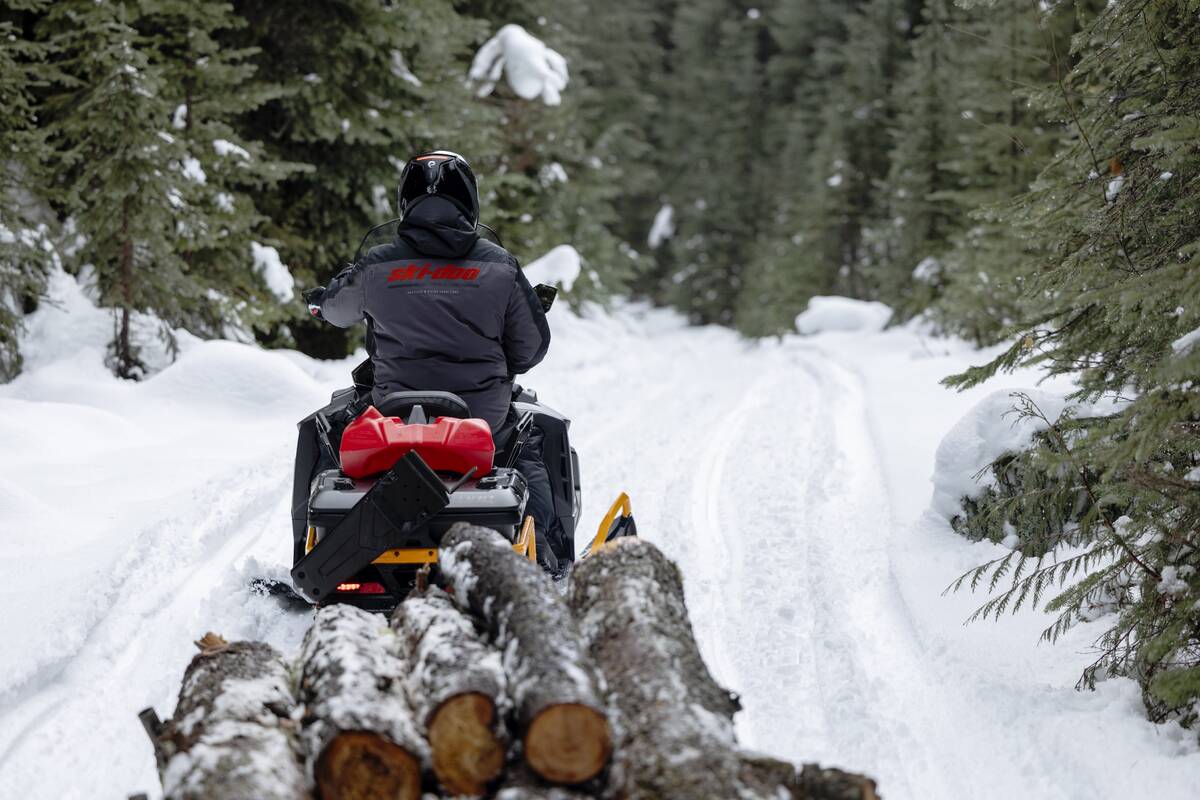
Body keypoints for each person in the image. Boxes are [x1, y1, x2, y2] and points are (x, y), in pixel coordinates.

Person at [303, 151, 567, 571]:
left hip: (392, 417)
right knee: (535, 440)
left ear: (405, 204)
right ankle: (552, 561)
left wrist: (321, 299)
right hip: (484, 421)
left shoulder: (377, 265)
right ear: (470, 204)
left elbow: (335, 310)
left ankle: (310, 556)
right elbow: (530, 349)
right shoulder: (499, 267)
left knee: (320, 429)